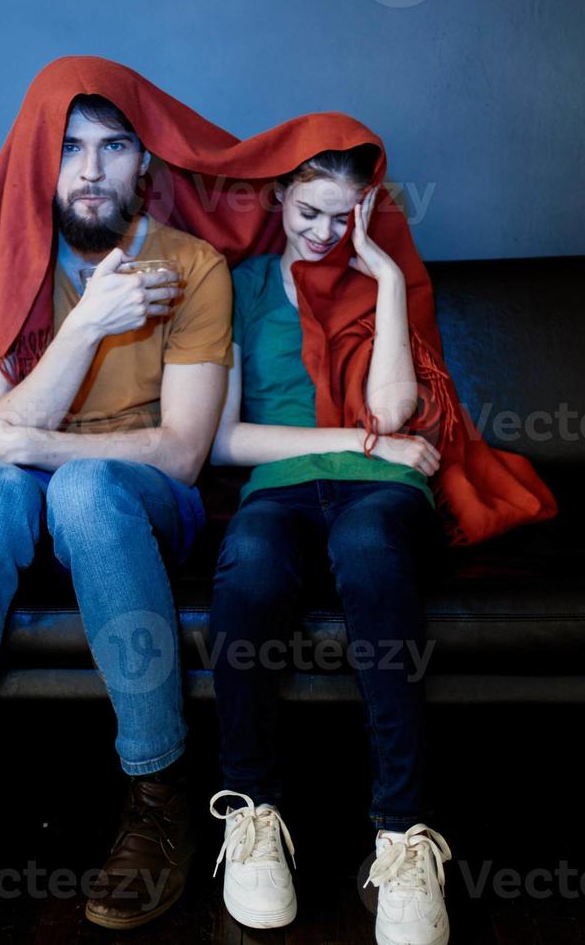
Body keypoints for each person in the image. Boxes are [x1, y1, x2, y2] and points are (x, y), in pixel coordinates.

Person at [0, 91, 233, 929]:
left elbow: (185, 452)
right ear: (39, 160)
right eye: (70, 148)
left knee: (80, 488)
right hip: (12, 494)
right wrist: (86, 330)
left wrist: (39, 447)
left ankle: (157, 794)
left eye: (113, 148)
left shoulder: (192, 266)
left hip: (139, 499)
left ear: (144, 163)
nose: (89, 171)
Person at [205, 145, 454, 945]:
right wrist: (360, 441)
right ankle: (251, 811)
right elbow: (225, 438)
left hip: (381, 490)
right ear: (278, 196)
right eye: (305, 210)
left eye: (341, 216)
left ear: (368, 212)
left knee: (373, 550)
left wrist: (382, 277)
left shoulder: (386, 281)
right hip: (280, 486)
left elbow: (396, 407)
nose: (320, 231)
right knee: (248, 566)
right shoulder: (239, 287)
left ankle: (402, 835)